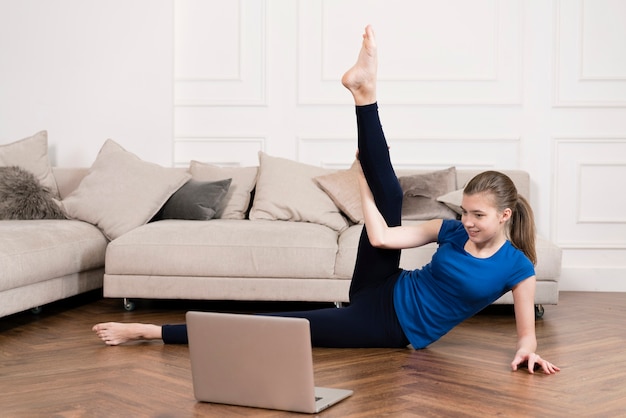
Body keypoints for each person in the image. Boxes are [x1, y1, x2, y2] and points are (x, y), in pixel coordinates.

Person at [93, 25, 559, 375]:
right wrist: (360, 177)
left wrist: (527, 349)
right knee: (389, 194)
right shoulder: (452, 231)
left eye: (478, 215)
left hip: (391, 330)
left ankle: (149, 331)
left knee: (282, 326)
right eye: (466, 212)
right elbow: (379, 235)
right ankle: (364, 92)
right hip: (384, 285)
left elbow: (525, 333)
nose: (469, 222)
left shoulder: (518, 269)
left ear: (505, 215)